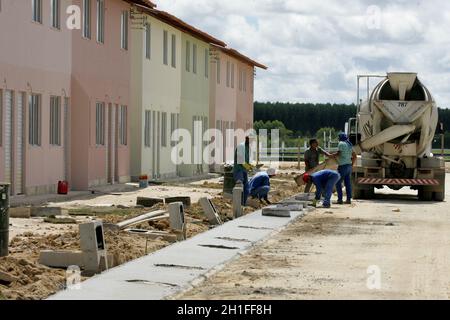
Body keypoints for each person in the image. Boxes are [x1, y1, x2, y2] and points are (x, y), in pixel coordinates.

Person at [332, 133, 357, 205]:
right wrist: (352, 164)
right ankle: (348, 199)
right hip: (349, 166)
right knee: (348, 183)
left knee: (338, 182)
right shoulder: (349, 144)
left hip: (342, 166)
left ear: (340, 138)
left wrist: (332, 155)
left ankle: (340, 199)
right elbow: (354, 156)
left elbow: (339, 153)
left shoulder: (341, 143)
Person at [233, 136, 251, 205]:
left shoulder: (247, 147)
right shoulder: (241, 146)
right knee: (239, 187)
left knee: (246, 189)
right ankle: (237, 205)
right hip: (239, 170)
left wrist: (250, 166)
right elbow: (240, 160)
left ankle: (243, 204)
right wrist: (248, 166)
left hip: (244, 171)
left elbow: (246, 160)